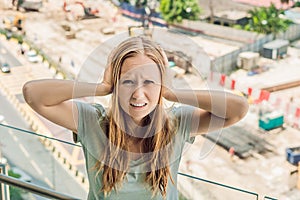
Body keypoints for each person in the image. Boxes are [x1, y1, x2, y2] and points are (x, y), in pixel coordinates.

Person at [22, 36, 248, 200]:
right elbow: (33, 94)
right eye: (128, 81)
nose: (138, 94)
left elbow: (238, 109)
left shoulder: (177, 124)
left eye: (149, 82)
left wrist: (170, 92)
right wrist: (101, 88)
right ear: (116, 85)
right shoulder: (93, 123)